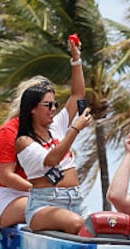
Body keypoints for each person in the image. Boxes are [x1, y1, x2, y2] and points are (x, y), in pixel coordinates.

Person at [14, 55, 92, 234]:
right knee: (78, 225)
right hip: (45, 204)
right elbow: (51, 159)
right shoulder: (24, 141)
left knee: (103, 228)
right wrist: (75, 129)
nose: (54, 109)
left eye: (55, 104)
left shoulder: (56, 127)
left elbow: (77, 94)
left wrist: (77, 59)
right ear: (32, 108)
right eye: (48, 105)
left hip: (76, 199)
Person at [0, 76, 51, 237]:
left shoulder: (47, 133)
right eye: (47, 104)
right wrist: (38, 190)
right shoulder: (8, 133)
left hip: (38, 195)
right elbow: (6, 177)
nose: (53, 108)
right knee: (56, 214)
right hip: (10, 197)